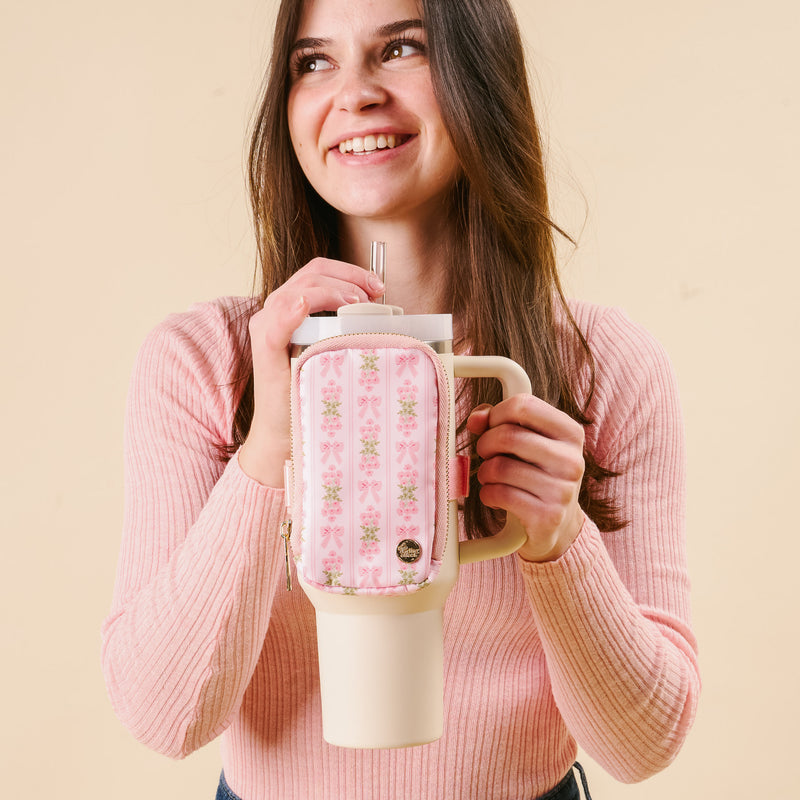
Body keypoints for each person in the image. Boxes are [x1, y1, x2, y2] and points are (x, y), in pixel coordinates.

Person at [101, 0, 700, 798]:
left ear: (478, 74)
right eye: (314, 61)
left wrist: (560, 544)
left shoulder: (603, 369)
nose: (354, 94)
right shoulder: (205, 364)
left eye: (401, 49)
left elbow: (644, 745)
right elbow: (162, 716)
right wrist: (269, 446)